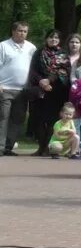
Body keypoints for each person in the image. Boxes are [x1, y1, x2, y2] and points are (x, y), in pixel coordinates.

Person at [27, 29, 70, 156]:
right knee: (38, 119)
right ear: (46, 39)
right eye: (51, 37)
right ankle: (41, 147)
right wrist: (41, 81)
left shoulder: (63, 55)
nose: (53, 40)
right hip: (39, 90)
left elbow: (64, 71)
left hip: (56, 91)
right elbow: (32, 70)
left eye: (56, 38)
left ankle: (48, 147)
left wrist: (49, 80)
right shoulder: (39, 53)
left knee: (52, 121)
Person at [1, 21, 35, 155]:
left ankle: (8, 147)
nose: (22, 33)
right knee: (3, 118)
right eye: (20, 31)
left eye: (25, 31)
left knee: (17, 119)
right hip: (5, 89)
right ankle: (0, 147)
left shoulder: (31, 47)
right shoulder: (3, 46)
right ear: (13, 31)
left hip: (23, 91)